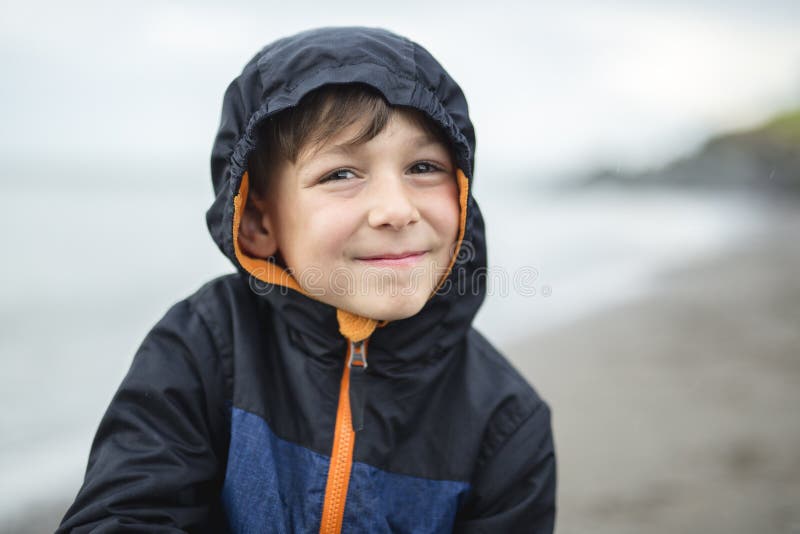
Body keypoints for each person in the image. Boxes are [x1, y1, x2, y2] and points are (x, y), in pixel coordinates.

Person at [58, 26, 556, 533]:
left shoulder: (507, 421)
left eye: (424, 166)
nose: (395, 210)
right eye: (341, 174)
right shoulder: (204, 347)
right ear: (258, 223)